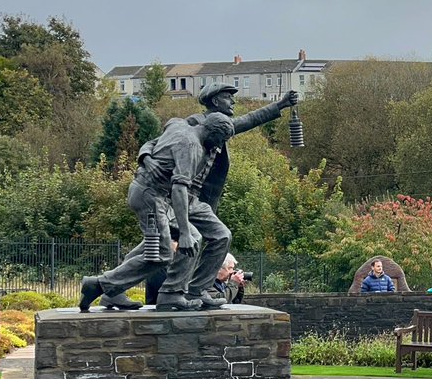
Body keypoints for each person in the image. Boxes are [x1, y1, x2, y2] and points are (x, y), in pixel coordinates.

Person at [80, 84, 297, 312]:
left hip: (191, 198)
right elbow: (155, 143)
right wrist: (146, 157)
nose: (233, 102)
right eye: (227, 97)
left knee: (219, 235)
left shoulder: (220, 127)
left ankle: (196, 290)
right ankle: (155, 292)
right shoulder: (193, 127)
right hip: (172, 195)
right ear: (214, 102)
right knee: (170, 245)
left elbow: (250, 120)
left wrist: (280, 106)